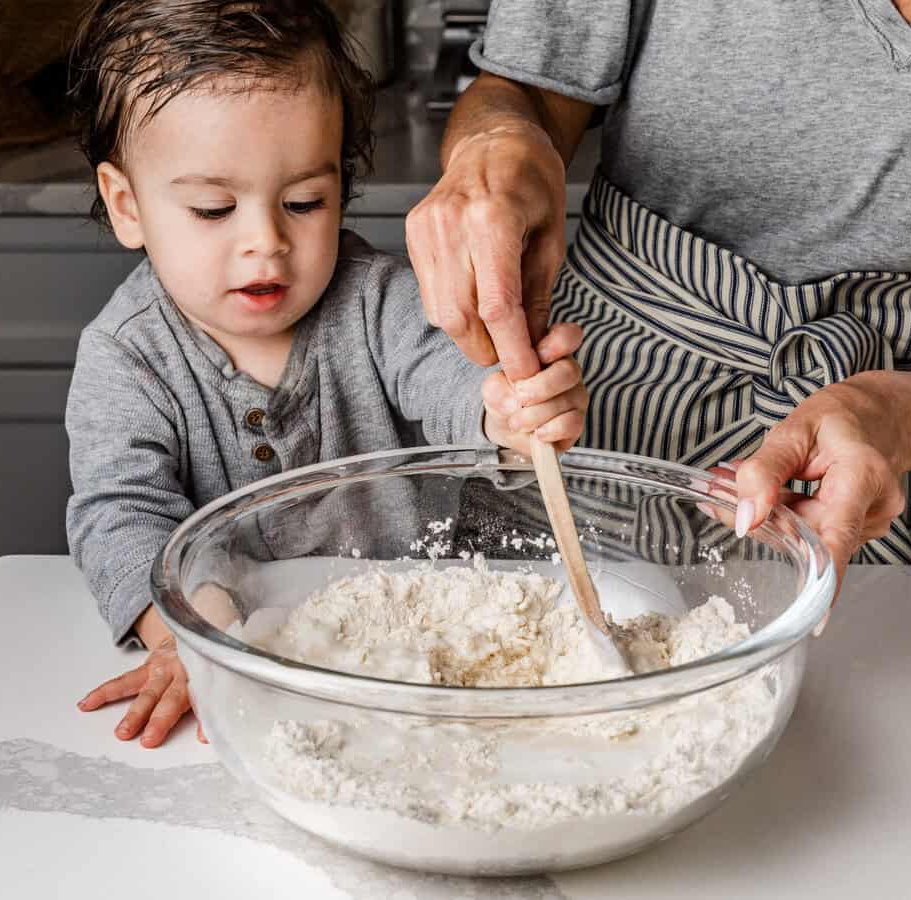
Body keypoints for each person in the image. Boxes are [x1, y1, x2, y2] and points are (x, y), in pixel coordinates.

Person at [405, 0, 911, 591]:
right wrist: (493, 150)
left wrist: (884, 417)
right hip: (590, 411)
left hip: (905, 462)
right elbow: (525, 90)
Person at [63, 0, 588, 748]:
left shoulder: (375, 301)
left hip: (415, 659)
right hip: (250, 672)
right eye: (214, 209)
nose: (266, 242)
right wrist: (190, 636)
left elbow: (446, 376)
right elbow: (118, 512)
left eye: (304, 201)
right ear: (128, 206)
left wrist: (504, 410)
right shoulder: (128, 354)